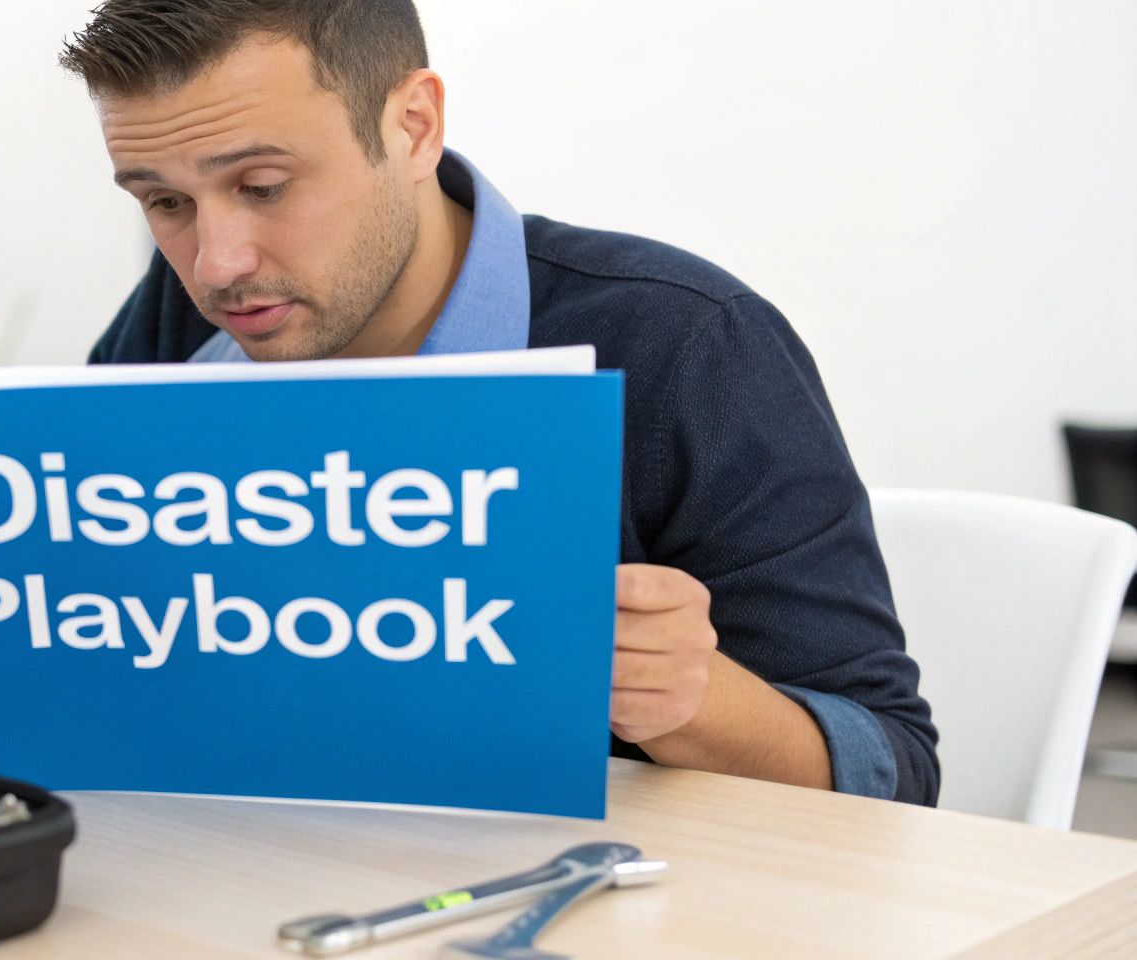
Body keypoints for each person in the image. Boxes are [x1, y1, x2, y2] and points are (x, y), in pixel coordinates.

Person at [59, 0, 937, 804]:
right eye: (165, 202)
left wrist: (689, 701)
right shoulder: (180, 324)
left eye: (262, 187)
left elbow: (894, 774)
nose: (216, 264)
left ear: (412, 127)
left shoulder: (691, 344)